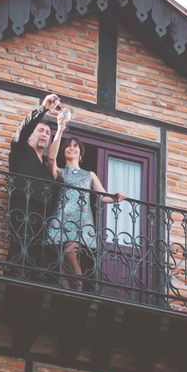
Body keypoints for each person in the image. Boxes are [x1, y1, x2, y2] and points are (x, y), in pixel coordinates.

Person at [46, 111, 126, 290]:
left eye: (75, 146)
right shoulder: (60, 172)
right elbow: (51, 158)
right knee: (60, 263)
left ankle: (79, 286)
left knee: (69, 252)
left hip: (82, 220)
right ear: (64, 151)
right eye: (68, 146)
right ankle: (67, 291)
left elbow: (102, 196)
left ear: (80, 153)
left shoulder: (89, 174)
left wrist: (116, 198)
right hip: (62, 218)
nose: (71, 148)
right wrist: (59, 129)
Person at [7, 93, 60, 276]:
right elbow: (23, 129)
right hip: (23, 207)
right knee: (20, 248)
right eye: (41, 130)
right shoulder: (21, 150)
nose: (45, 134)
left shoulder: (47, 167)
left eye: (48, 133)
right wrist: (43, 108)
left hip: (43, 215)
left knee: (39, 255)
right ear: (30, 136)